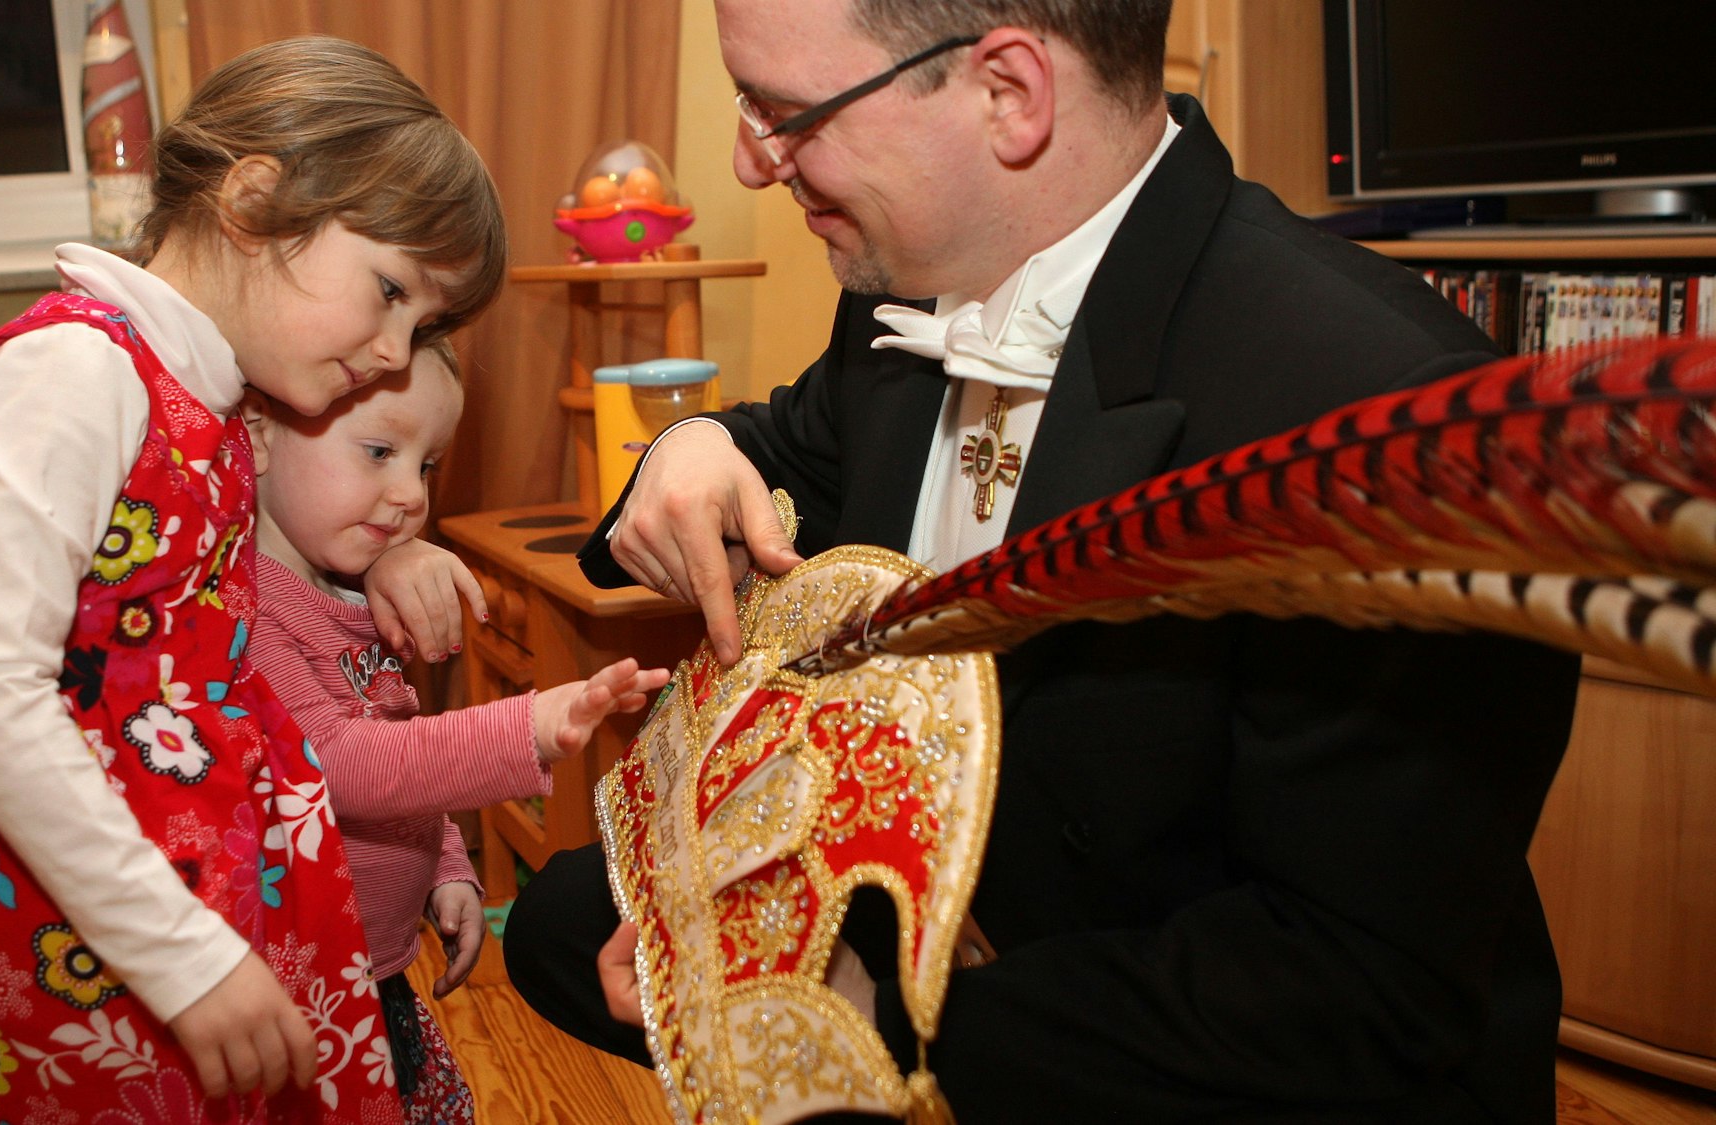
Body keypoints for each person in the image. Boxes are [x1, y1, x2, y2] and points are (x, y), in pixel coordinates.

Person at [503, 2, 1582, 1122]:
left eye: (785, 114)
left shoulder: (1384, 418)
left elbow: (1351, 991)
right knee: (560, 927)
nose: (748, 158)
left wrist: (859, 1023)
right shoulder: (904, 278)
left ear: (1007, 93)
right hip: (964, 888)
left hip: (1210, 1026)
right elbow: (787, 444)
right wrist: (691, 444)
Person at [0, 36, 505, 1124]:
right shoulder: (76, 372)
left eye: (420, 327)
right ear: (253, 202)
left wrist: (402, 548)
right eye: (388, 294)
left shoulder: (210, 392)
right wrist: (183, 958)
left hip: (105, 893)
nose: (389, 351)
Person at [240, 338, 670, 1121]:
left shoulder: (349, 587)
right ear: (260, 433)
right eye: (378, 452)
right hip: (306, 997)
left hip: (381, 976)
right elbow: (337, 764)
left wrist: (444, 862)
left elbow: (398, 726)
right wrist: (527, 727)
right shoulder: (249, 616)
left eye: (426, 465)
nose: (408, 494)